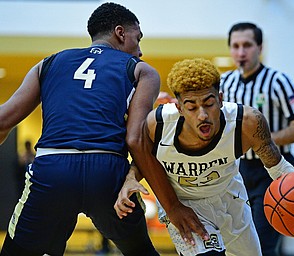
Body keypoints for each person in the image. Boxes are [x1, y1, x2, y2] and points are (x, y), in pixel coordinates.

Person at [0, 2, 208, 255]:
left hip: (52, 169)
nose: (140, 50)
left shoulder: (48, 63)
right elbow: (135, 140)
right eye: (137, 38)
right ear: (120, 33)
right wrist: (172, 206)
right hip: (107, 172)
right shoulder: (141, 70)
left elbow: (3, 121)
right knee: (140, 251)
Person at [113, 58, 294, 256]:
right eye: (191, 107)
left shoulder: (247, 122)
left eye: (209, 103)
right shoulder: (159, 124)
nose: (202, 115)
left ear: (221, 99)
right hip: (183, 203)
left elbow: (280, 170)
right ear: (179, 108)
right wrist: (130, 178)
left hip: (230, 200)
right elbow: (145, 159)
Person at [220, 22, 294, 256]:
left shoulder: (278, 81)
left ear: (259, 47)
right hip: (235, 170)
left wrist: (261, 140)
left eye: (247, 45)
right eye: (236, 46)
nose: (241, 52)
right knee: (234, 241)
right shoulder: (223, 83)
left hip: (271, 168)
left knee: (263, 242)